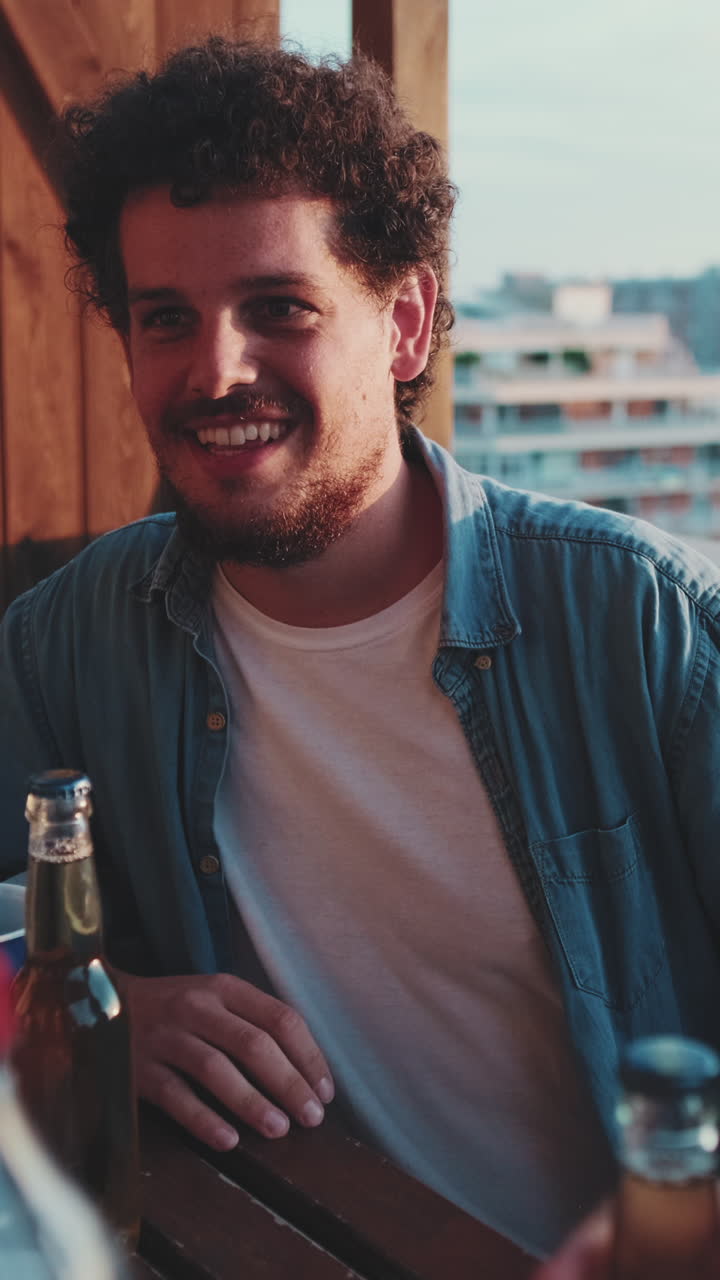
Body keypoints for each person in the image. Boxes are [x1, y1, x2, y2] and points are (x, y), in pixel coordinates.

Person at [1, 35, 719, 1271]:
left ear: (405, 322)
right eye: (165, 318)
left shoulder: (641, 621)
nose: (215, 369)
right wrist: (93, 1010)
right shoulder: (65, 644)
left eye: (277, 306)